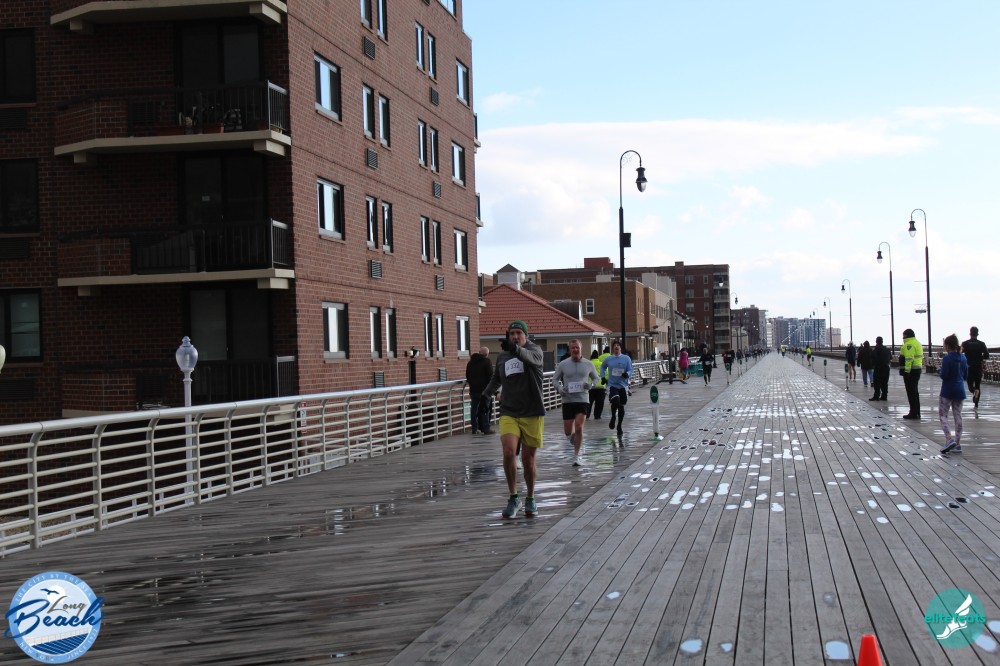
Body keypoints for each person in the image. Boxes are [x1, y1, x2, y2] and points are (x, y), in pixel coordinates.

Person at [481, 320, 545, 519]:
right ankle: (513, 497)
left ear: (526, 335)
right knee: (509, 452)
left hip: (532, 411)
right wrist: (485, 395)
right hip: (509, 411)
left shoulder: (535, 350)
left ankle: (530, 497)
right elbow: (497, 378)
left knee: (528, 460)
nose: (515, 337)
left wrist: (515, 349)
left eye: (519, 333)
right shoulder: (503, 356)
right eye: (512, 334)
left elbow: (532, 359)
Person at [552, 339, 599, 466]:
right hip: (568, 400)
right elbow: (554, 379)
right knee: (568, 432)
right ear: (569, 350)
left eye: (577, 347)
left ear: (581, 348)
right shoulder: (563, 364)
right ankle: (578, 441)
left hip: (583, 399)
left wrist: (591, 385)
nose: (575, 350)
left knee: (578, 427)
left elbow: (596, 378)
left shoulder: (588, 364)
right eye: (573, 348)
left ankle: (577, 457)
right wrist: (560, 389)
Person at [937, 334, 968, 454]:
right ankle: (958, 443)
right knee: (958, 416)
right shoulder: (963, 358)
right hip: (960, 390)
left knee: (943, 415)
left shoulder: (947, 358)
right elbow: (965, 375)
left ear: (948, 346)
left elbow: (944, 375)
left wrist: (939, 371)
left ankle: (949, 439)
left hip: (947, 390)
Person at [600, 340, 633, 441]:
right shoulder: (609, 359)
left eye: (618, 345)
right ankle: (613, 416)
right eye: (614, 345)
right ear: (613, 348)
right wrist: (603, 377)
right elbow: (602, 367)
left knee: (621, 406)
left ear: (620, 348)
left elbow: (631, 369)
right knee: (615, 400)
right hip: (612, 385)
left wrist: (627, 374)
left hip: (623, 386)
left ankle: (619, 426)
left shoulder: (626, 358)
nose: (616, 347)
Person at [465, 346, 493, 435]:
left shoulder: (470, 362)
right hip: (484, 390)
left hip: (473, 390)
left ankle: (474, 428)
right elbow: (490, 376)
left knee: (474, 408)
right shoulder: (487, 362)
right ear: (487, 354)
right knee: (485, 408)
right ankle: (486, 428)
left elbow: (467, 375)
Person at [961, 326, 990, 409]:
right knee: (978, 385)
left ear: (970, 333)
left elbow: (959, 353)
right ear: (977, 334)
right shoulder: (981, 344)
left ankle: (974, 391)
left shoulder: (965, 343)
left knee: (970, 385)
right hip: (978, 367)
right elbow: (987, 355)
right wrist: (980, 357)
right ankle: (976, 404)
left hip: (969, 367)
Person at [899, 328, 924, 420]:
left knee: (911, 392)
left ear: (906, 335)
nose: (902, 337)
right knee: (915, 392)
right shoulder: (917, 343)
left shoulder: (909, 344)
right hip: (917, 369)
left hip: (911, 371)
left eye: (903, 335)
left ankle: (913, 413)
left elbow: (909, 359)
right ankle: (917, 412)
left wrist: (906, 371)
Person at [870, 336, 891, 401]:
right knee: (884, 383)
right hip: (886, 368)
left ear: (876, 341)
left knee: (877, 383)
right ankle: (884, 396)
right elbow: (890, 358)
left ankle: (876, 396)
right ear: (882, 341)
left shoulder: (875, 350)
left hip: (878, 368)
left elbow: (872, 360)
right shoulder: (887, 350)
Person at [588, 349, 607, 419]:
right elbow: (607, 374)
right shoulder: (602, 364)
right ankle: (597, 416)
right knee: (599, 403)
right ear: (598, 356)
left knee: (588, 403)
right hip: (601, 387)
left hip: (590, 387)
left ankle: (586, 415)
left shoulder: (588, 364)